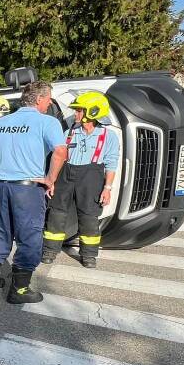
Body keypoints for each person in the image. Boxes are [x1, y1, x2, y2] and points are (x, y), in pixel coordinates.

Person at [0, 81, 68, 304]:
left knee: (0, 230)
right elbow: (60, 152)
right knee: (29, 236)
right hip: (28, 189)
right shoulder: (47, 122)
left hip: (1, 186)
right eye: (48, 98)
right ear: (39, 99)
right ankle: (20, 289)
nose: (49, 102)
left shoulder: (2, 122)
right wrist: (50, 179)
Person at [42, 91, 120, 268]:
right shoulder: (69, 132)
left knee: (89, 217)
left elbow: (111, 163)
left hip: (91, 177)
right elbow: (58, 156)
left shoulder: (108, 136)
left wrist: (107, 188)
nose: (75, 114)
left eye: (79, 111)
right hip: (66, 175)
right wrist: (52, 181)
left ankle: (89, 255)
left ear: (92, 112)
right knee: (56, 213)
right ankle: (49, 250)